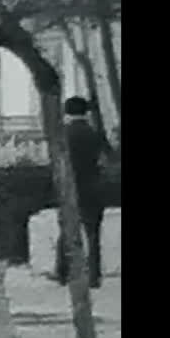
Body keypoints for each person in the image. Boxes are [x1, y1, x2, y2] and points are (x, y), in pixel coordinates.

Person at [55, 96, 107, 288]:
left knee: (66, 231)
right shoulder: (94, 133)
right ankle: (94, 276)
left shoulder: (63, 134)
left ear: (67, 112)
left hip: (70, 187)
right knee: (93, 234)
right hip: (93, 187)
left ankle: (63, 272)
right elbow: (107, 158)